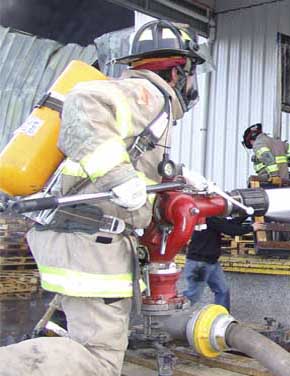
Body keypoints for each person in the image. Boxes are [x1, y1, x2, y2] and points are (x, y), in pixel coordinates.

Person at [0, 20, 207, 376]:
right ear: (178, 70)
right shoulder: (149, 93)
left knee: (79, 338)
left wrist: (184, 179)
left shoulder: (144, 105)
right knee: (97, 360)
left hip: (78, 238)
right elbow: (82, 104)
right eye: (190, 73)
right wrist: (121, 178)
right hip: (91, 245)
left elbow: (133, 160)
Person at [183, 217, 252, 310]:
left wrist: (245, 215)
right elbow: (230, 230)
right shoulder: (209, 217)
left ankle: (222, 317)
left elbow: (228, 223)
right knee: (193, 295)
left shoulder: (214, 218)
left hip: (211, 262)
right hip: (199, 264)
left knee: (222, 290)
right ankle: (176, 315)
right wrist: (251, 228)